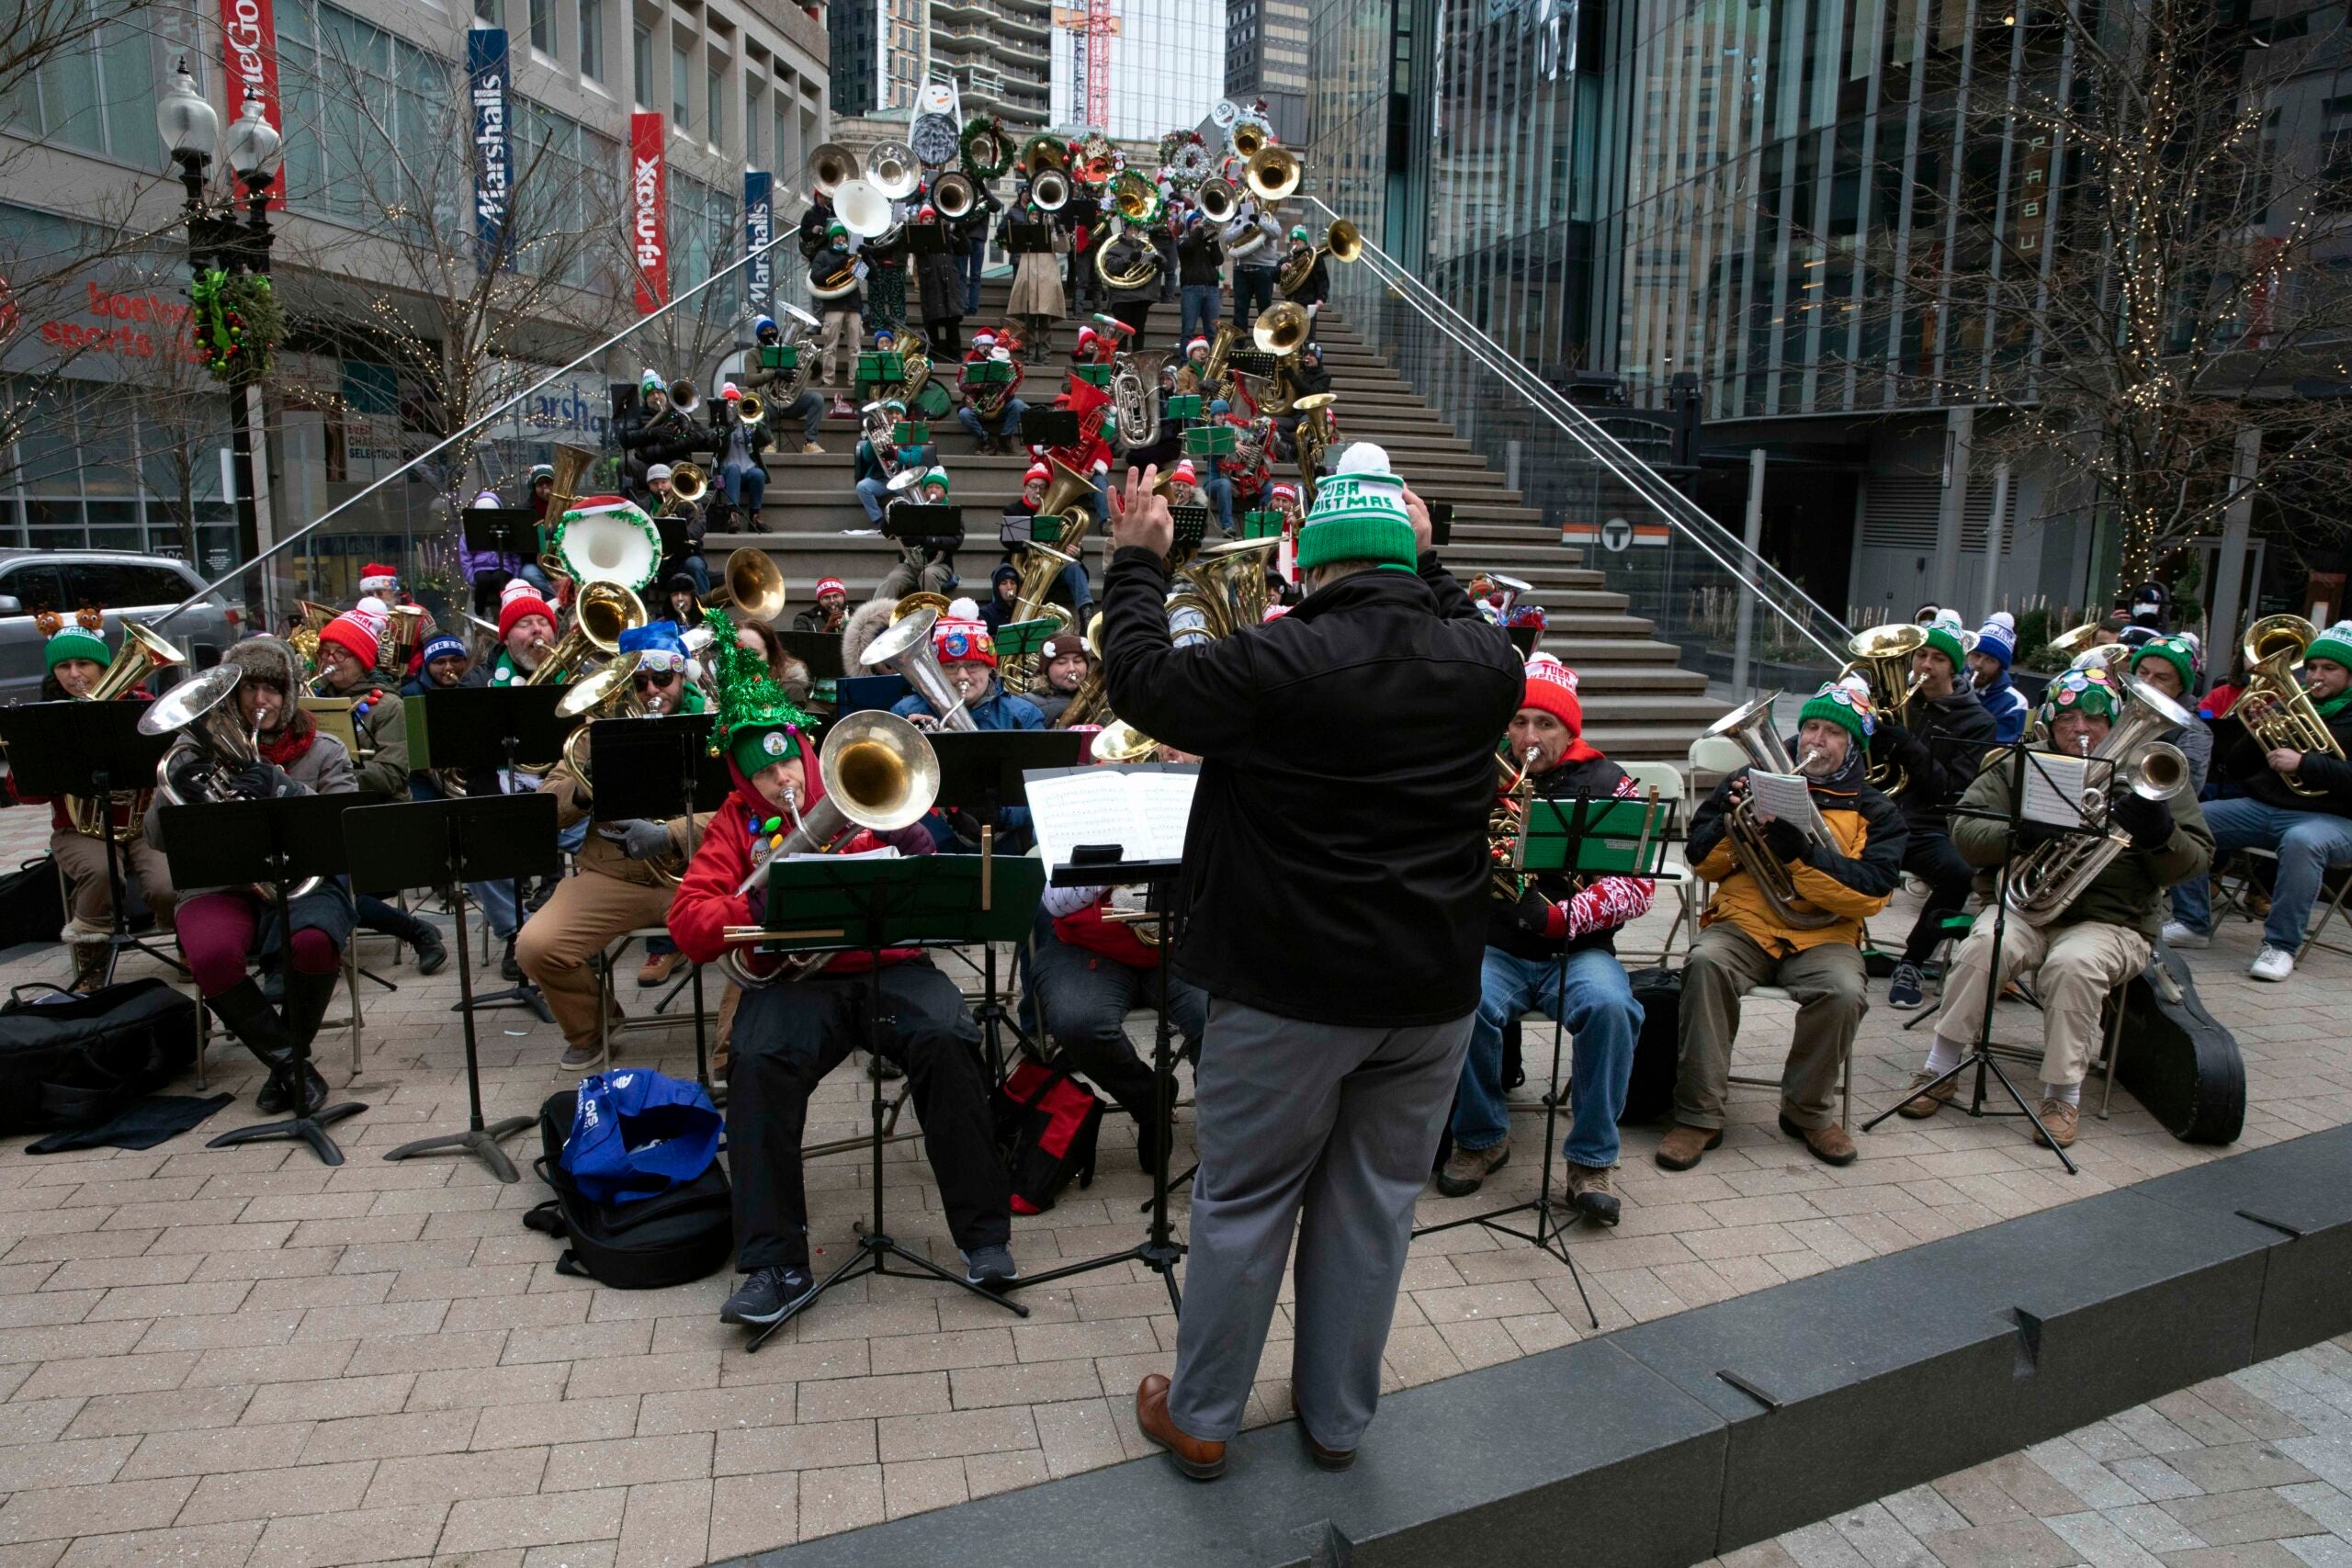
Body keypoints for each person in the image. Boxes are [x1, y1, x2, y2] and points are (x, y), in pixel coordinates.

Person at [1102, 442, 1521, 1480]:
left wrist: (1136, 562)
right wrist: (1425, 557)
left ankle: (1202, 1419)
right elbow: (1455, 611)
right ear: (1403, 553)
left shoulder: (1282, 660)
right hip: (1430, 995)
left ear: (1313, 564)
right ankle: (1335, 1423)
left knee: (1244, 1203)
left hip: (1289, 991)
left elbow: (1141, 681)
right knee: (1374, 1203)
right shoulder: (1488, 663)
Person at [666, 637, 1017, 1325]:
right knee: (758, 1061)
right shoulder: (735, 827)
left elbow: (941, 879)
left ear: (807, 753)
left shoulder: (858, 790)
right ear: (742, 781)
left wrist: (922, 844)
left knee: (949, 1036)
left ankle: (986, 1238)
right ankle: (774, 1264)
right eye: (764, 777)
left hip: (892, 964)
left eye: (789, 766)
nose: (784, 785)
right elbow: (688, 922)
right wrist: (754, 905)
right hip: (799, 982)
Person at [1905, 667, 2212, 1145]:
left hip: (2114, 920)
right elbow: (1964, 831)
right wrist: (2019, 832)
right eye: (2067, 718)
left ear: (2115, 725)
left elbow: (2195, 861)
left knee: (2075, 964)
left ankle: (2062, 1098)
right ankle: (1939, 1069)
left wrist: (2160, 836)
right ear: (2049, 722)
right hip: (2024, 905)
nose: (2081, 729)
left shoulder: (2151, 774)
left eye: (2094, 719)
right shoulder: (2019, 765)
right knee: (1985, 944)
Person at [1436, 656, 1654, 1224]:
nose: (1528, 737)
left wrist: (1564, 916)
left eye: (1545, 725)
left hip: (1578, 951)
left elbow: (1637, 886)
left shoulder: (1610, 782)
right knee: (1461, 1003)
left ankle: (1591, 1161)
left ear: (1570, 728)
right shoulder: (1478, 774)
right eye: (1519, 722)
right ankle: (1482, 1138)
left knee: (1612, 1008)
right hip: (1497, 948)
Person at [1660, 679, 1905, 1173]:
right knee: (1705, 963)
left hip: (1825, 934)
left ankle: (1807, 1111)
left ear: (1852, 745)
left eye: (1832, 733)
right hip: (1744, 924)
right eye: (1810, 727)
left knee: (1843, 992)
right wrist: (1733, 825)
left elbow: (1873, 893)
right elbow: (1700, 862)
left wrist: (1802, 855)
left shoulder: (1873, 807)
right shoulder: (1749, 780)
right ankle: (1698, 1114)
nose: (1816, 740)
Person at [146, 637, 356, 1114]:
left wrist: (281, 785)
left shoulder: (324, 749)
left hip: (305, 878)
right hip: (220, 882)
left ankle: (287, 1063)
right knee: (211, 953)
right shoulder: (192, 750)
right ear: (229, 694)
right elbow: (157, 838)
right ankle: (289, 1066)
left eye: (272, 689)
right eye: (249, 688)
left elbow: (344, 825)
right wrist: (175, 787)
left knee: (314, 941)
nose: (261, 700)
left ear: (290, 696)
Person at [515, 622, 707, 1069]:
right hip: (614, 874)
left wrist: (672, 834)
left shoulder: (714, 722)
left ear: (682, 677)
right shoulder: (595, 732)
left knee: (752, 929)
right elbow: (549, 806)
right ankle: (593, 1028)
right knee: (536, 946)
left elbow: (741, 809)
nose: (651, 690)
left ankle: (732, 1051)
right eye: (638, 682)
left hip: (699, 871)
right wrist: (584, 789)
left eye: (663, 679)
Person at [1031, 739, 1211, 1168]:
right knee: (1079, 1024)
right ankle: (1149, 1101)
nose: (1171, 752)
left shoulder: (1214, 797)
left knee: (1222, 1022)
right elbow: (1055, 904)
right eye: (1163, 744)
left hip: (1181, 945)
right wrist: (1126, 850)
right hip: (1089, 947)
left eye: (1184, 744)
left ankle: (1222, 1134)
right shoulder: (1088, 802)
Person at [2165, 619, 2352, 981]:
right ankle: (2191, 922)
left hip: (2333, 820)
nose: (2316, 675)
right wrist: (2255, 728)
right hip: (2266, 808)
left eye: (2329, 668)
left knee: (2302, 843)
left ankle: (2280, 946)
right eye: (2312, 667)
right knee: (2192, 818)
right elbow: (2236, 767)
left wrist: (2305, 763)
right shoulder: (2292, 705)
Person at [17, 611, 175, 976]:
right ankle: (90, 951)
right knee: (102, 872)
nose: (74, 675)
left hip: (142, 825)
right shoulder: (48, 717)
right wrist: (43, 758)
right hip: (78, 828)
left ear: (104, 666)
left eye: (84, 664)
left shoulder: (138, 705)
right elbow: (25, 792)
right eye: (64, 667)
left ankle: (186, 938)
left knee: (166, 884)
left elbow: (168, 762)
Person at [310, 604, 448, 976]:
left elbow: (391, 774)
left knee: (327, 883)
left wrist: (330, 776)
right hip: (325, 817)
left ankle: (415, 931)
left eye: (342, 654)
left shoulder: (387, 706)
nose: (331, 661)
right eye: (326, 653)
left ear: (362, 659)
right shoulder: (309, 703)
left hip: (379, 818)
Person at [1879, 616, 1997, 1010]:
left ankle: (1912, 961)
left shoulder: (1977, 721)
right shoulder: (1896, 703)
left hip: (1927, 825)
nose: (1925, 666)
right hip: (1878, 814)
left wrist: (1908, 747)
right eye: (1920, 656)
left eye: (1936, 659)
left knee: (1959, 873)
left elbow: (1953, 789)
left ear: (1954, 667)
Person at [891, 615, 1046, 732]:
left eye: (973, 665)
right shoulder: (905, 712)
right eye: (951, 666)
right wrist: (908, 739)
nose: (962, 676)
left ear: (990, 669)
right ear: (937, 671)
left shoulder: (1023, 716)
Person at [873, 468, 962, 604]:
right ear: (924, 490)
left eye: (938, 487)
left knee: (929, 575)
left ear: (944, 492)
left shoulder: (951, 513)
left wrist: (927, 540)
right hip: (910, 565)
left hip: (940, 565)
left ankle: (932, 617)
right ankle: (871, 618)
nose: (933, 491)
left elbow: (956, 541)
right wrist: (893, 515)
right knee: (892, 579)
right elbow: (888, 534)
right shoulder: (910, 511)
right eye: (930, 487)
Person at [1004, 191, 1068, 365]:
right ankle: (1030, 355)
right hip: (1029, 279)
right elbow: (1010, 245)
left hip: (1047, 279)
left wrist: (1059, 229)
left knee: (1045, 321)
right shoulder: (1025, 234)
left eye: (1037, 214)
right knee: (1030, 321)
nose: (1034, 217)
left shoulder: (1050, 232)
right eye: (1032, 214)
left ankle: (1045, 357)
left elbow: (1064, 248)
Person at [468, 579, 565, 687]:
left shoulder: (580, 671)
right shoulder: (476, 682)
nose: (537, 629)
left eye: (543, 622)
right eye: (524, 624)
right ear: (506, 638)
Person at [808, 223, 864, 408]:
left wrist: (866, 258)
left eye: (843, 237)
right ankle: (828, 379)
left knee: (855, 347)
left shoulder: (854, 256)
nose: (841, 239)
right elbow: (816, 277)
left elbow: (867, 276)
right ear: (832, 239)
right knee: (830, 345)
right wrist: (838, 264)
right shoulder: (823, 255)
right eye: (837, 237)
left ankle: (854, 381)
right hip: (833, 305)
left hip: (853, 306)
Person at [708, 383, 770, 535]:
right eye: (728, 400)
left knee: (758, 474)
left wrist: (755, 424)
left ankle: (754, 516)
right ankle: (733, 515)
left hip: (748, 468)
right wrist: (725, 428)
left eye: (735, 400)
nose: (731, 403)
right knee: (734, 469)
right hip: (727, 470)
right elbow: (710, 442)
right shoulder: (718, 425)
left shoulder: (747, 424)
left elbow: (767, 439)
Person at [642, 465, 709, 596]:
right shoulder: (642, 505)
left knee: (695, 565)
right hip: (656, 561)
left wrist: (679, 536)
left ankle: (707, 612)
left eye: (664, 482)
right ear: (649, 485)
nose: (660, 487)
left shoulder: (689, 501)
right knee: (638, 569)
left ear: (671, 482)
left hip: (685, 557)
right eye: (655, 483)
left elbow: (700, 523)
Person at [1968, 613, 2031, 744]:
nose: (1979, 664)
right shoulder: (1949, 684)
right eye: (1976, 655)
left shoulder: (2015, 702)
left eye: (1990, 660)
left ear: (2000, 667)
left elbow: (1998, 754)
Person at [913, 204, 966, 355]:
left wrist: (959, 229)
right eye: (926, 219)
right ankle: (933, 353)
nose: (929, 221)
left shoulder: (946, 235)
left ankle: (955, 353)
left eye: (931, 218)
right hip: (931, 284)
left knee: (952, 322)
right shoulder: (919, 237)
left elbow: (964, 248)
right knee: (932, 322)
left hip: (948, 283)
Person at [956, 344, 1027, 454]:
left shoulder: (1009, 369)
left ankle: (1005, 441)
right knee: (964, 414)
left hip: (999, 408)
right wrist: (981, 386)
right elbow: (962, 385)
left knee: (1019, 405)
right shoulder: (977, 366)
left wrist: (1004, 387)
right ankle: (985, 441)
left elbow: (1010, 392)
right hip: (976, 406)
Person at [1227, 201, 1283, 332]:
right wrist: (1242, 229)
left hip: (1264, 269)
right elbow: (1227, 238)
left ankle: (1265, 341)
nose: (1253, 201)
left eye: (1255, 198)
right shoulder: (1239, 219)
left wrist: (1260, 222)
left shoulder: (1268, 217)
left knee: (1264, 308)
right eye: (1250, 198)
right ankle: (1239, 341)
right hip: (1242, 270)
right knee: (1240, 308)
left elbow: (1277, 232)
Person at [1177, 214, 1225, 348]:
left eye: (1200, 222)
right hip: (1191, 290)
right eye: (1195, 223)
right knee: (1188, 330)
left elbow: (1219, 260)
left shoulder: (1208, 243)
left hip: (1211, 290)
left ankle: (1211, 366)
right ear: (1189, 228)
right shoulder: (1183, 242)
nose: (1199, 225)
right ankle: (1185, 364)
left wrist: (1214, 240)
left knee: (1212, 331)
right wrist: (1202, 227)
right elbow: (1189, 245)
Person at [1026, 632, 1090, 725]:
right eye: (1061, 662)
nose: (1072, 668)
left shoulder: (1104, 699)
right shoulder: (1030, 705)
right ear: (1046, 670)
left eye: (1077, 661)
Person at [1280, 226, 1330, 322]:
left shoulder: (1314, 257)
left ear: (1304, 241)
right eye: (1291, 240)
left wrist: (1321, 298)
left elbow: (1322, 279)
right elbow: (1274, 276)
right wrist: (1281, 268)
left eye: (1296, 240)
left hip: (1308, 302)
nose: (1293, 242)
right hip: (1291, 302)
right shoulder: (1287, 259)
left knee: (1308, 332)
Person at [401, 633, 470, 696]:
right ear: (427, 666)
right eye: (440, 662)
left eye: (455, 660)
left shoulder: (477, 683)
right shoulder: (411, 693)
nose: (449, 667)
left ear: (465, 661)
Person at [979, 562, 1023, 635]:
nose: (1009, 587)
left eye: (1012, 583)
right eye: (1004, 583)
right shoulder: (985, 613)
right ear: (997, 588)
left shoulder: (1024, 610)